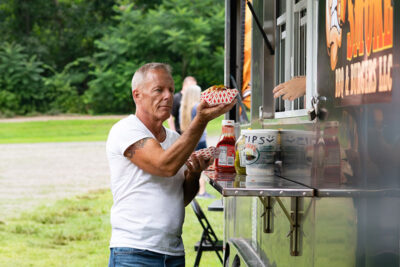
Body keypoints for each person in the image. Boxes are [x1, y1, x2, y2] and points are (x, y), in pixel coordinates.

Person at [106, 63, 236, 267]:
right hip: (135, 253)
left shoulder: (175, 139)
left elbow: (179, 198)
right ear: (137, 95)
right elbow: (163, 166)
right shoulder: (126, 130)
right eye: (158, 89)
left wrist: (193, 175)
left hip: (173, 254)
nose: (167, 96)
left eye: (171, 90)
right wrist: (200, 120)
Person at [179, 84, 213, 198]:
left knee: (194, 165)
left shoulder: (183, 108)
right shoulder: (197, 107)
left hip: (191, 140)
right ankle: (202, 191)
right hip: (200, 140)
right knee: (201, 166)